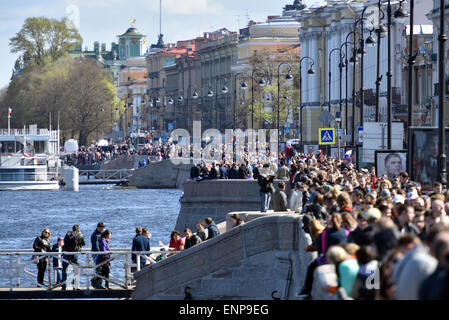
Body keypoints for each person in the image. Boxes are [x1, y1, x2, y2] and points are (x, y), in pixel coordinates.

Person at [62, 224, 85, 291]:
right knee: (76, 270)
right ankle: (75, 286)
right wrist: (81, 235)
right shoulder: (79, 234)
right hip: (74, 253)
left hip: (66, 253)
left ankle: (63, 286)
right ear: (78, 229)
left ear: (72, 229)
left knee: (64, 270)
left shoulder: (68, 234)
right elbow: (83, 243)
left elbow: (64, 242)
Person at [90, 221, 105, 288]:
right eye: (102, 228)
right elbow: (96, 246)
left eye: (103, 228)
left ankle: (95, 282)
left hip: (100, 254)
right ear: (98, 227)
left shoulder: (101, 234)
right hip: (96, 254)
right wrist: (101, 253)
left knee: (100, 269)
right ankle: (98, 284)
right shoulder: (95, 235)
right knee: (99, 269)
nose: (103, 229)